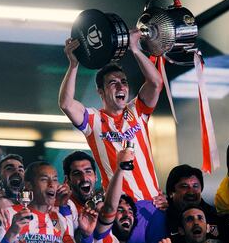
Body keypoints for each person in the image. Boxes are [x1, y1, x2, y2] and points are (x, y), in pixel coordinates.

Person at [59, 29, 163, 201]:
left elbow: (156, 82)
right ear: (101, 91)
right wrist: (73, 64)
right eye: (113, 83)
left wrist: (134, 48)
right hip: (119, 208)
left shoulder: (136, 110)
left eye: (123, 82)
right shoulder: (93, 120)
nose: (121, 87)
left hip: (153, 204)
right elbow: (66, 104)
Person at [82, 147, 167, 243]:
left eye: (131, 211)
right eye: (120, 210)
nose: (127, 214)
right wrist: (120, 168)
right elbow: (110, 207)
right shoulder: (103, 239)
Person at [0, 161, 76, 243]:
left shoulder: (60, 219)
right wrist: (12, 232)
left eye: (55, 180)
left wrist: (87, 235)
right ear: (29, 185)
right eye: (44, 179)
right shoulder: (8, 214)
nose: (51, 184)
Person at [166, 164, 221, 242]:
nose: (191, 192)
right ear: (171, 192)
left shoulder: (214, 215)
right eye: (184, 186)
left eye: (195, 186)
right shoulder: (161, 214)